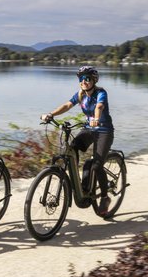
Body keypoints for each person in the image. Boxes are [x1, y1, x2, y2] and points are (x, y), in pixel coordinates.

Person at [40, 65, 115, 216]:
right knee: (72, 148)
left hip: (103, 131)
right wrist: (50, 114)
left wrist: (96, 119)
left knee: (96, 165)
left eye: (87, 78)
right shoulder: (81, 94)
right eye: (81, 79)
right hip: (89, 130)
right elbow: (67, 105)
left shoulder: (101, 92)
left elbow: (99, 106)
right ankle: (80, 183)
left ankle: (105, 198)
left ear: (94, 80)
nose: (84, 81)